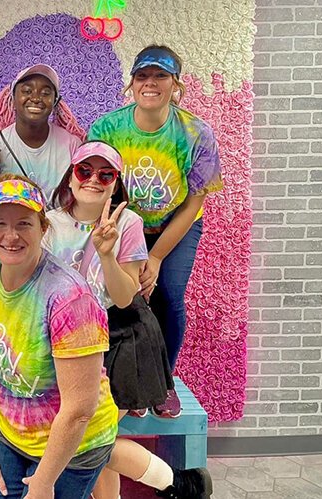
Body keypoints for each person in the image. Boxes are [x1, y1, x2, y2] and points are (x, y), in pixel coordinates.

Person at [44, 141, 212, 499]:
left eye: (105, 174)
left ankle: (179, 483)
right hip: (68, 343)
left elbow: (123, 296)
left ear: (115, 182)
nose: (93, 179)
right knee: (96, 441)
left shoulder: (129, 222)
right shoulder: (49, 223)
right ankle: (178, 483)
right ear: (70, 177)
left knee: (92, 440)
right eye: (84, 170)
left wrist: (107, 253)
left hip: (120, 336)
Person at [0, 174, 118, 499]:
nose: (11, 235)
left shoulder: (69, 298)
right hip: (10, 433)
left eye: (24, 224)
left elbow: (78, 410)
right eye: (0, 223)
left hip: (74, 445)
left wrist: (44, 483)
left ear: (43, 228)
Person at [88, 45, 223, 417]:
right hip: (121, 224)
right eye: (142, 76)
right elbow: (94, 184)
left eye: (160, 76)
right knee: (119, 296)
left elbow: (195, 203)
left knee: (167, 293)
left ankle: (163, 383)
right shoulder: (107, 128)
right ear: (131, 84)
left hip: (175, 225)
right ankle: (123, 381)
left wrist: (158, 255)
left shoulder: (196, 133)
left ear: (175, 84)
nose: (150, 84)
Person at [0, 64, 84, 200]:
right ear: (13, 99)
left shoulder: (72, 145)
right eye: (27, 91)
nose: (36, 98)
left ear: (55, 102)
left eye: (46, 93)